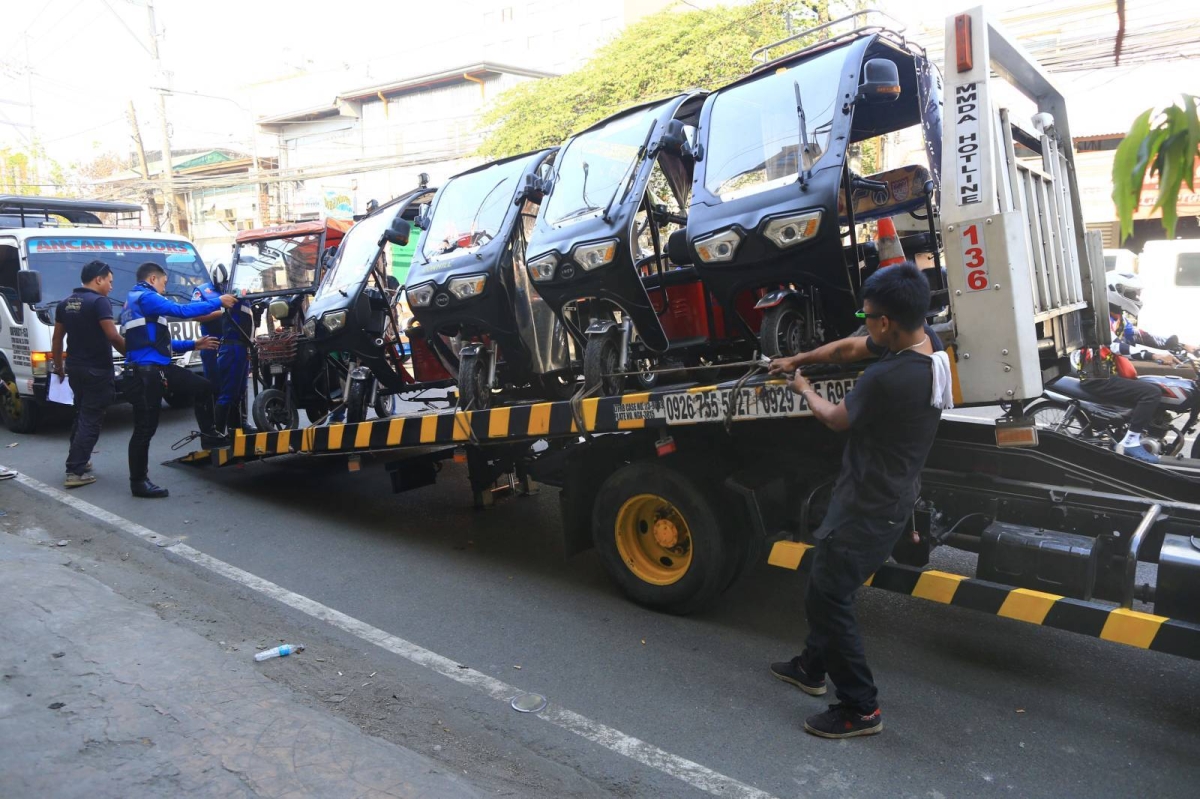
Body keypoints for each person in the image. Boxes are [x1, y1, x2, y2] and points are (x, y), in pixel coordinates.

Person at [767, 263, 950, 739]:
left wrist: (803, 387)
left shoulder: (887, 378)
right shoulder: (926, 343)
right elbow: (849, 347)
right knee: (827, 584)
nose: (863, 322)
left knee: (828, 595)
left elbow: (835, 418)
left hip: (869, 505)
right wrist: (798, 357)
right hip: (894, 492)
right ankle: (811, 667)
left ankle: (859, 708)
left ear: (886, 322)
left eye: (866, 315)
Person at [120, 261, 235, 498]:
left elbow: (156, 344)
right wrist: (218, 302)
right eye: (163, 282)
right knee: (145, 428)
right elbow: (181, 311)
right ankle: (138, 482)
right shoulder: (144, 296)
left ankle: (210, 437)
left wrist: (194, 344)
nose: (164, 287)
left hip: (158, 367)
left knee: (203, 387)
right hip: (146, 373)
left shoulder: (134, 303)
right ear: (153, 279)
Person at [1074, 273, 1194, 464]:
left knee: (1153, 385)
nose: (1136, 299)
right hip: (1097, 377)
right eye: (1132, 294)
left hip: (1111, 374)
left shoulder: (1118, 318)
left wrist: (1181, 345)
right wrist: (1154, 356)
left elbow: (1142, 336)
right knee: (1151, 393)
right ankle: (1130, 442)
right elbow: (1116, 347)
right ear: (1115, 292)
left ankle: (1139, 427)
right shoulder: (1101, 319)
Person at [50, 260, 125, 488]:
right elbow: (112, 335)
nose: (111, 287)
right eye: (109, 282)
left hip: (74, 367)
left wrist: (59, 366)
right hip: (97, 369)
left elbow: (57, 338)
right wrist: (131, 354)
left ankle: (80, 460)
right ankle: (75, 470)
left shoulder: (65, 303)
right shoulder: (99, 302)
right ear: (98, 279)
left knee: (82, 414)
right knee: (91, 418)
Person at [192, 264, 256, 435]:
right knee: (216, 388)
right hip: (212, 345)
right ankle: (216, 430)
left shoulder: (236, 289)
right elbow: (195, 314)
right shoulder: (202, 290)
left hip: (237, 343)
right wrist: (222, 310)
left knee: (238, 388)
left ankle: (238, 426)